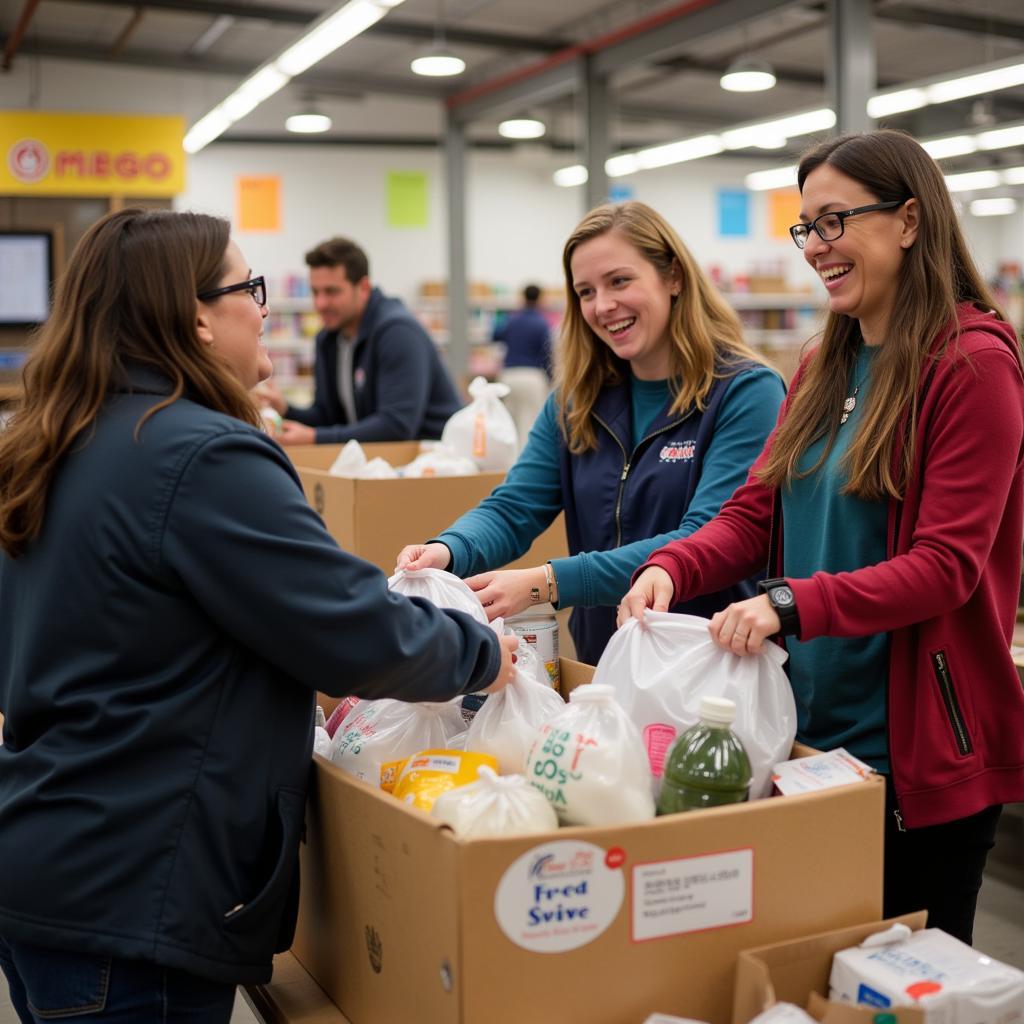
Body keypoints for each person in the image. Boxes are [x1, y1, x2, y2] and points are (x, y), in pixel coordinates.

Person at [0, 208, 516, 1023]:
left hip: (52, 859)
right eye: (251, 287)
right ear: (196, 315)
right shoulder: (201, 454)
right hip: (138, 893)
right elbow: (350, 629)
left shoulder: (54, 442)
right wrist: (481, 651)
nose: (266, 308)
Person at [620, 130, 1024, 944]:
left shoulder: (974, 365)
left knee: (899, 984)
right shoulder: (823, 365)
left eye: (834, 221)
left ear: (909, 220)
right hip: (809, 747)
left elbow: (944, 569)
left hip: (914, 762)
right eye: (806, 228)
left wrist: (787, 602)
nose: (816, 248)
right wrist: (673, 565)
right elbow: (752, 513)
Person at [398, 201, 785, 666]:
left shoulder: (745, 392)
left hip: (712, 663)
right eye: (585, 291)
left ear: (674, 277)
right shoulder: (577, 402)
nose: (602, 306)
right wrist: (448, 549)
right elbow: (516, 506)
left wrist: (550, 581)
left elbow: (707, 534)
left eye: (620, 281)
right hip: (604, 664)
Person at [258, 236, 461, 446]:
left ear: (363, 288)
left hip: (435, 464)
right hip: (381, 465)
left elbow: (396, 427)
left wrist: (315, 438)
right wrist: (285, 409)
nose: (320, 303)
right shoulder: (328, 340)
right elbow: (329, 417)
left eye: (332, 291)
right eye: (315, 292)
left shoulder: (398, 333)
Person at [495, 283, 552, 445]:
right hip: (532, 377)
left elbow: (495, 335)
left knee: (509, 424)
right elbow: (547, 354)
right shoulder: (542, 324)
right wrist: (550, 378)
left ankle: (508, 463)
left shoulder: (511, 320)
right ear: (540, 299)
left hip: (509, 376)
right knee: (530, 424)